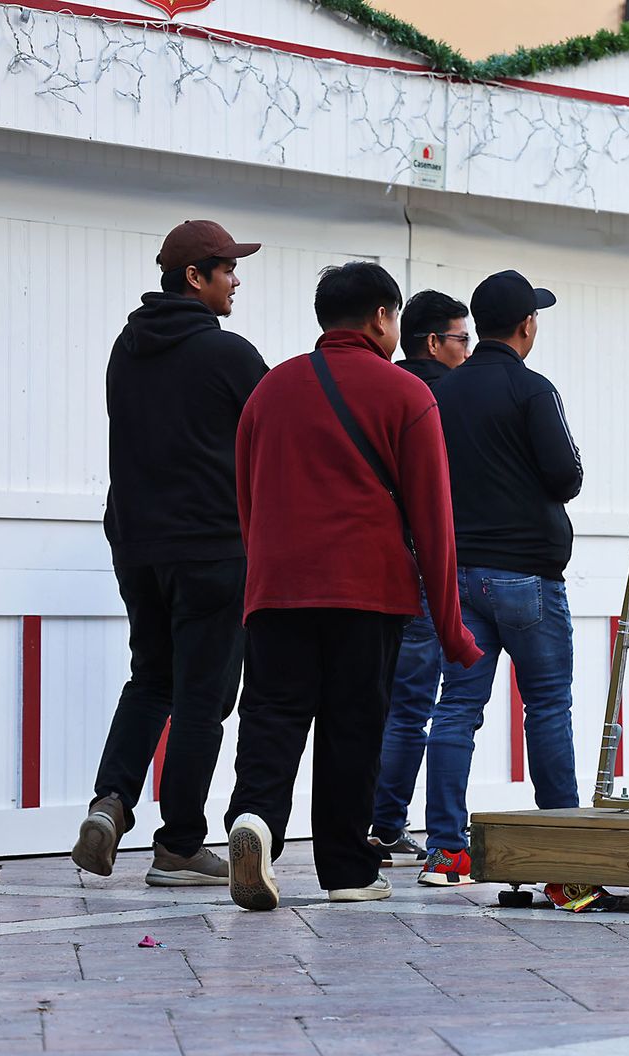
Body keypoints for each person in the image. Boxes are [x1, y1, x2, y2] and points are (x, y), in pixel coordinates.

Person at [224, 262, 482, 911]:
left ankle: (255, 819)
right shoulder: (404, 394)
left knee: (273, 714)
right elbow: (434, 520)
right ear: (381, 317)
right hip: (367, 589)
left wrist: (263, 576)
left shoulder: (269, 391)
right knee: (352, 725)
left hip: (278, 588)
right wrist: (452, 627)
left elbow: (246, 500)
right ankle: (346, 868)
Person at [71, 220, 267, 887]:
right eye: (227, 269)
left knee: (152, 678)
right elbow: (277, 444)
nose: (236, 279)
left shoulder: (125, 351)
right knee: (202, 696)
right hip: (212, 549)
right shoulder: (229, 355)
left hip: (137, 545)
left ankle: (110, 801)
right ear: (195, 277)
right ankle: (180, 842)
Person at [430, 269, 590, 901]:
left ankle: (444, 848)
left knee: (456, 709)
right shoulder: (532, 389)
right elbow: (565, 477)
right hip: (528, 576)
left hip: (460, 575)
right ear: (526, 326)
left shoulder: (442, 393)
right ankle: (564, 859)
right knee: (547, 706)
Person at [368, 290, 472, 870]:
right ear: (433, 342)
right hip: (425, 562)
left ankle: (379, 822)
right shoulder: (439, 396)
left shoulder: (384, 388)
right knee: (414, 702)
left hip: (377, 562)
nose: (468, 349)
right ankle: (386, 825)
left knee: (382, 699)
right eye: (461, 338)